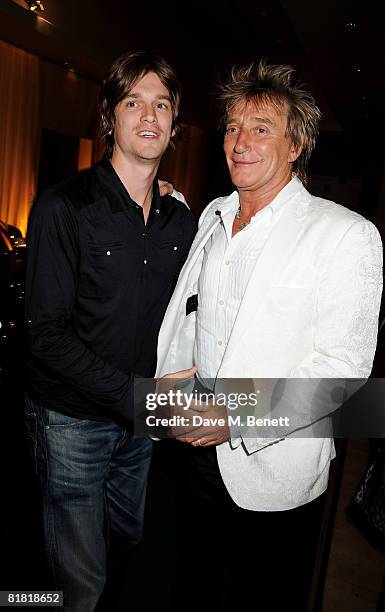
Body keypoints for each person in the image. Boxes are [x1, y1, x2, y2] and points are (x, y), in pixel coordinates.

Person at [155, 60, 383, 610]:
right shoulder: (213, 213)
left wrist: (233, 414)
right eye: (233, 127)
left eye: (261, 129)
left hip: (273, 468)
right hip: (193, 455)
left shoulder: (346, 234)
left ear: (296, 144)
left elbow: (342, 371)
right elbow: (193, 313)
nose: (240, 141)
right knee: (190, 588)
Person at [24, 50, 196, 612]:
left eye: (162, 104)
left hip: (144, 428)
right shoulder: (63, 207)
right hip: (72, 421)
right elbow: (43, 334)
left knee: (128, 548)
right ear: (110, 117)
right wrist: (132, 394)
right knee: (79, 583)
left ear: (174, 123)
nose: (149, 116)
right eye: (133, 102)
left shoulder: (181, 221)